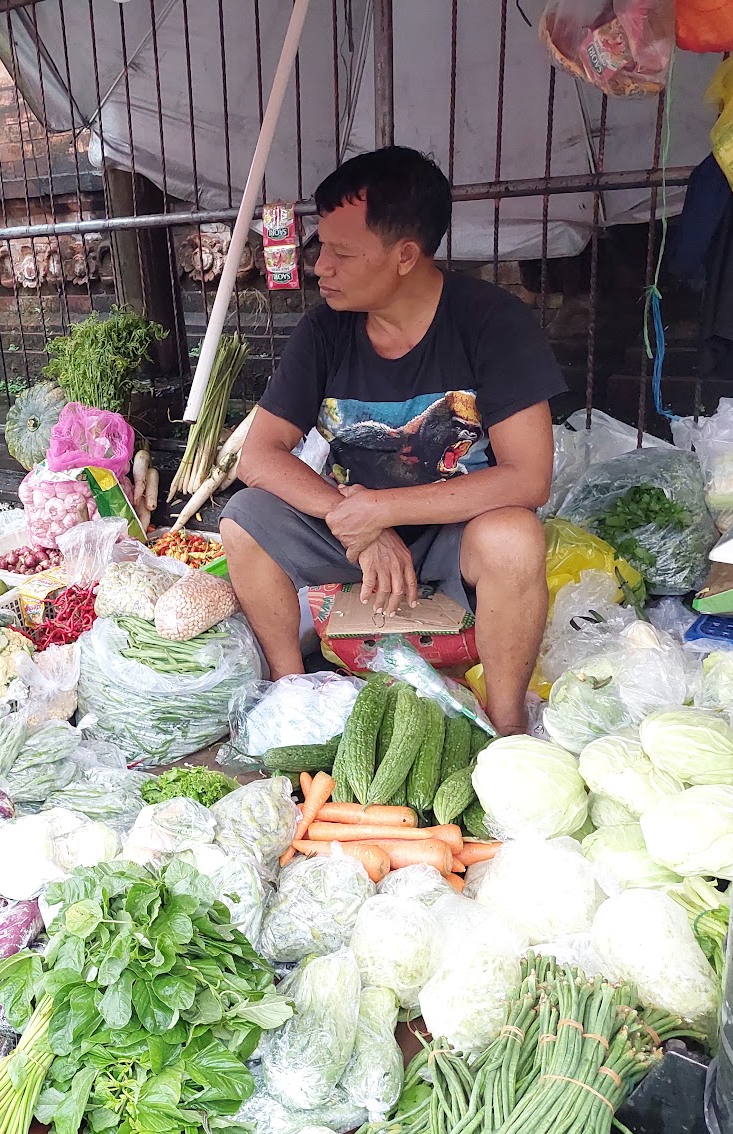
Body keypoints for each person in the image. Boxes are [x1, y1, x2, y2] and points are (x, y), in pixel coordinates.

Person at [220, 147, 563, 736]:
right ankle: (293, 695)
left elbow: (528, 477)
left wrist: (387, 508)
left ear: (406, 255)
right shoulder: (324, 330)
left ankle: (507, 729)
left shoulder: (492, 323)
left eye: (342, 253)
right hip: (350, 536)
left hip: (455, 536)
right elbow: (260, 454)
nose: (320, 267)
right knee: (244, 518)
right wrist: (362, 524)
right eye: (320, 247)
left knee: (515, 536)